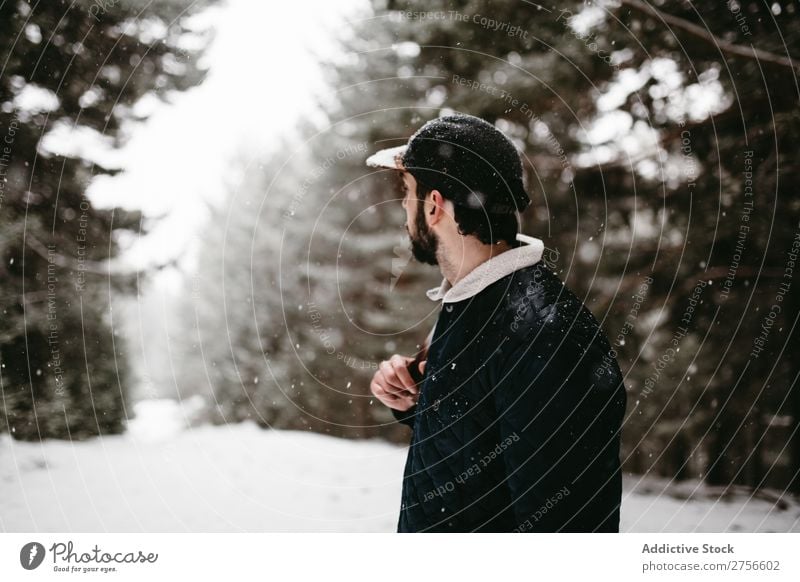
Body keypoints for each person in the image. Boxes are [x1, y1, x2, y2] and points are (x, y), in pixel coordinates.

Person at [365, 113, 627, 532]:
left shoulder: (543, 334)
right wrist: (415, 400)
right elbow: (483, 445)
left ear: (433, 206)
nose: (402, 207)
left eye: (407, 192)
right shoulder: (473, 301)